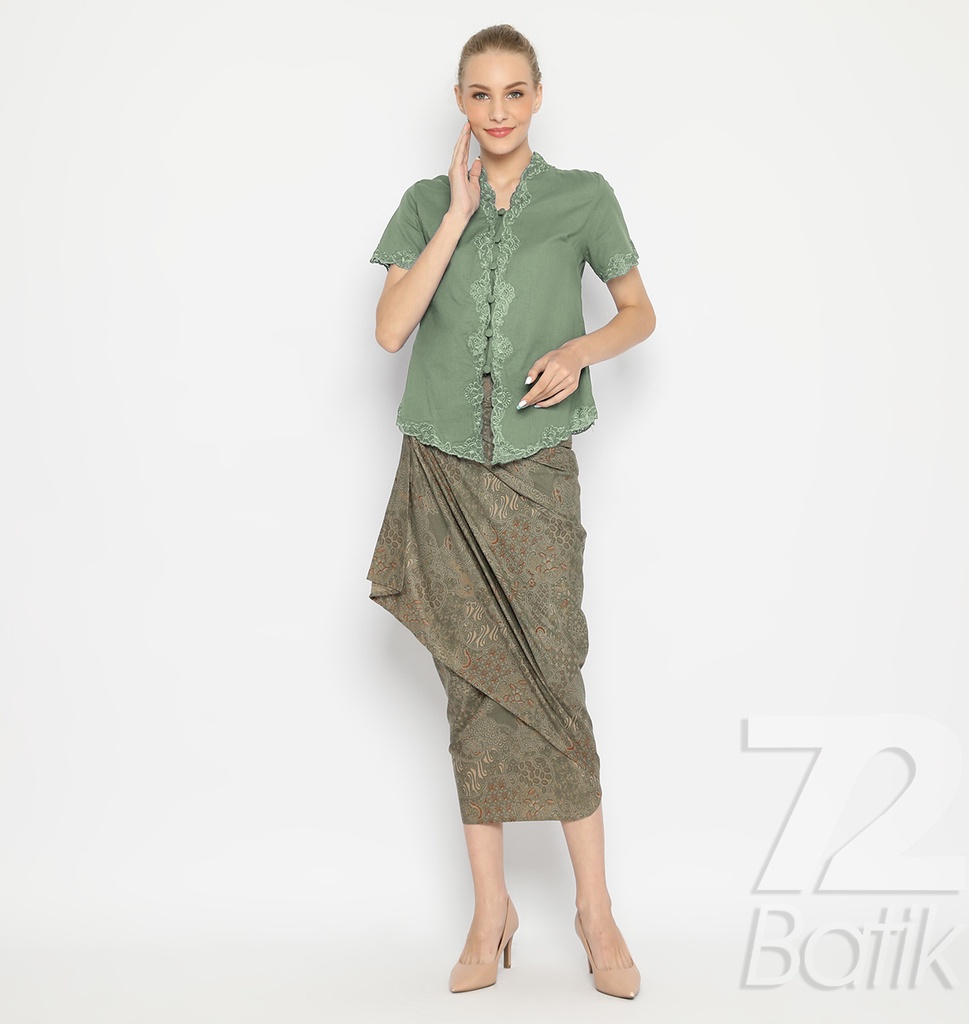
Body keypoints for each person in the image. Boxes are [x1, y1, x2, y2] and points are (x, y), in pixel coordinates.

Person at [366, 24, 656, 999]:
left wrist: (579, 350)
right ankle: (490, 913)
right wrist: (455, 215)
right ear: (460, 100)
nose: (498, 111)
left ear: (537, 96)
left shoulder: (583, 198)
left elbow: (638, 311)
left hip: (536, 469)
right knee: (471, 686)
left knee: (554, 674)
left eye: (514, 92)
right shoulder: (423, 203)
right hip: (443, 467)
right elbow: (391, 328)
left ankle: (594, 911)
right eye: (481, 94)